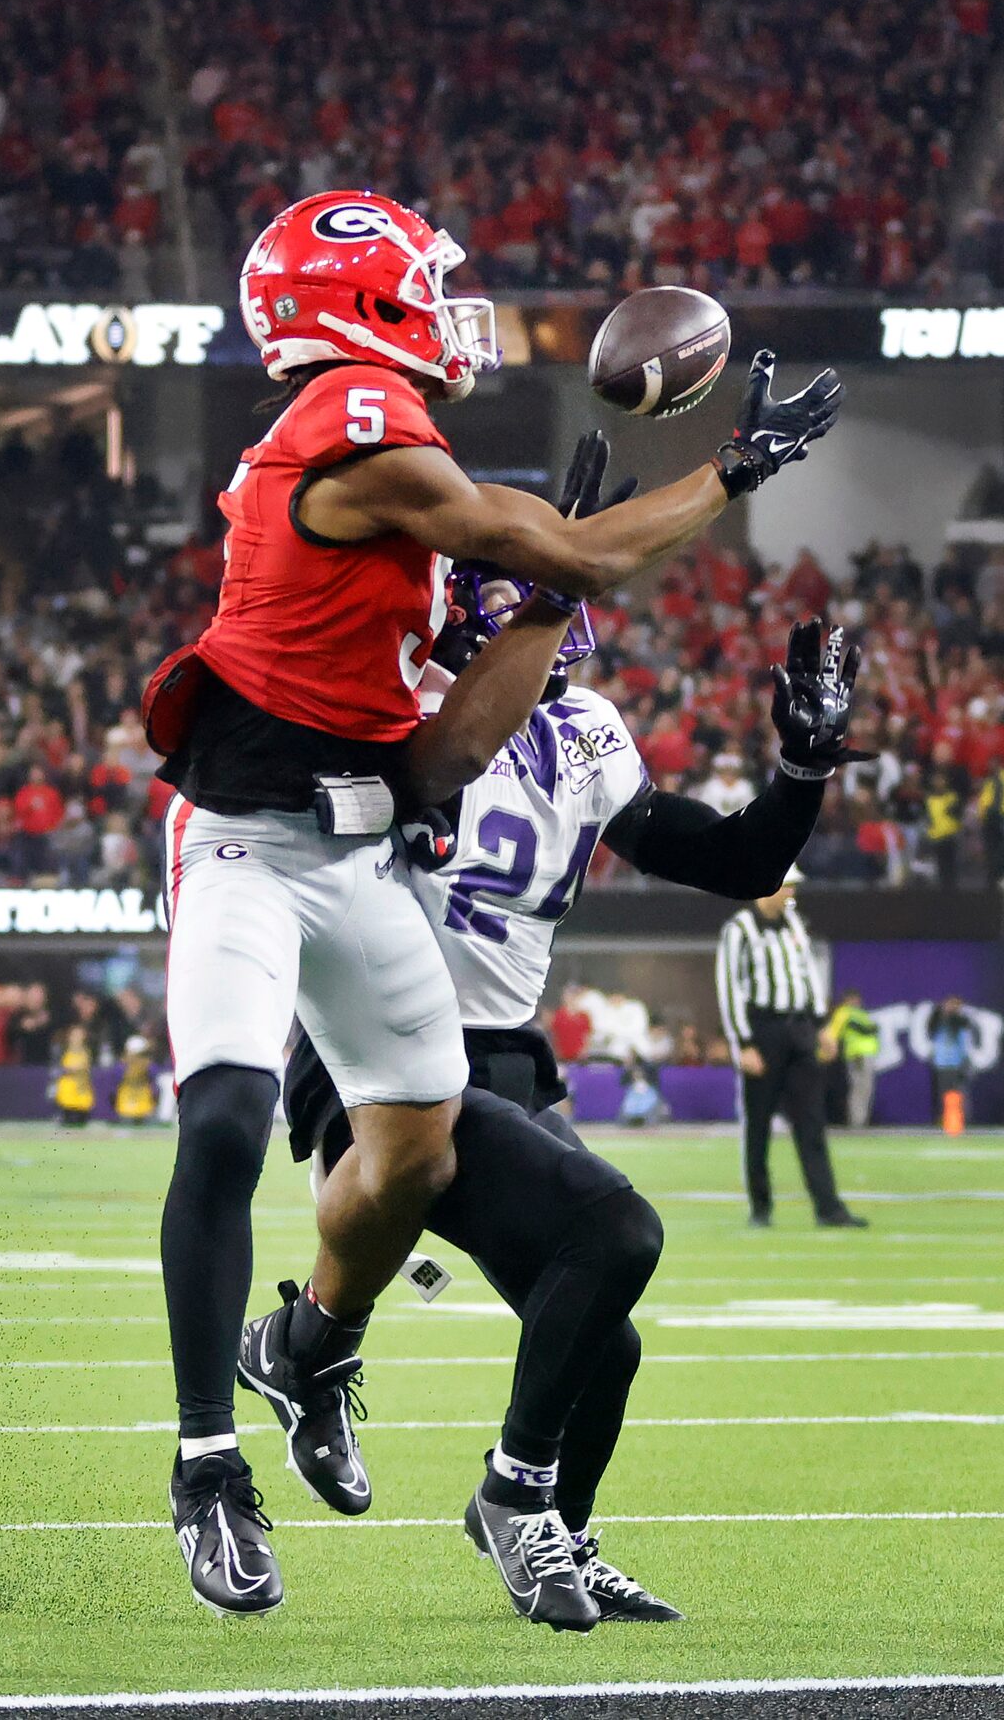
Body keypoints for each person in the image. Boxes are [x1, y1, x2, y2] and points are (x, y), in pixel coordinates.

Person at [148, 191, 841, 1618]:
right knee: (218, 1119)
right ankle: (209, 1467)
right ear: (363, 307)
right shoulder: (346, 413)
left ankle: (314, 1349)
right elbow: (574, 553)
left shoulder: (533, 682)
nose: (445, 312)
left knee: (418, 1156)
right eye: (422, 288)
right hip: (242, 844)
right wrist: (726, 473)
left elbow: (446, 758)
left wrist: (531, 610)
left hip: (354, 858)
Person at [275, 580, 858, 1628]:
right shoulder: (399, 706)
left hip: (500, 1063)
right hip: (376, 1057)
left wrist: (802, 772)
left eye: (563, 647)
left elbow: (737, 858)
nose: (560, 670)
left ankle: (562, 1534)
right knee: (620, 1230)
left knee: (607, 1338)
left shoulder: (583, 732)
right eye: (536, 642)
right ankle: (511, 1491)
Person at [718, 870, 865, 1228]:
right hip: (764, 1031)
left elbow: (808, 978)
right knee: (759, 1125)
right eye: (787, 885)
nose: (791, 893)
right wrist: (744, 1043)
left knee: (811, 1121)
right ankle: (761, 1207)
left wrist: (822, 1028)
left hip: (799, 1030)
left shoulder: (794, 924)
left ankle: (828, 1207)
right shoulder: (740, 929)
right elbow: (730, 988)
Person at [822, 989, 882, 1126]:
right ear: (847, 1000)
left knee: (866, 1090)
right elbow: (833, 1031)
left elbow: (871, 1030)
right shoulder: (844, 1012)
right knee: (858, 1089)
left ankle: (861, 1121)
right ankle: (856, 1123)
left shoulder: (860, 1013)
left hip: (867, 1054)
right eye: (853, 999)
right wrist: (824, 1053)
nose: (856, 1002)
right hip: (857, 1055)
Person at [922, 994, 980, 1125]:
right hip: (941, 1064)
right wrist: (941, 1011)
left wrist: (953, 1013)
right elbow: (930, 1027)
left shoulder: (961, 1021)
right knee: (942, 1095)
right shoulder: (937, 1020)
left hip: (957, 1063)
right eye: (949, 1005)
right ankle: (943, 1119)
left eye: (955, 1005)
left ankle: (959, 1120)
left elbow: (963, 1028)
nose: (951, 1008)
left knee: (958, 1094)